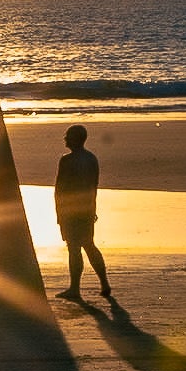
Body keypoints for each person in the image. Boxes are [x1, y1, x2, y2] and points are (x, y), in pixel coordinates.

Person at [54, 123, 112, 301]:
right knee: (89, 245)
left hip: (71, 210)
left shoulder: (67, 160)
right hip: (86, 209)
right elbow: (93, 187)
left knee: (74, 248)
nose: (64, 138)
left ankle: (74, 289)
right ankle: (104, 283)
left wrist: (60, 214)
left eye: (68, 136)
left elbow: (60, 189)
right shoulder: (91, 159)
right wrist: (92, 209)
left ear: (74, 139)